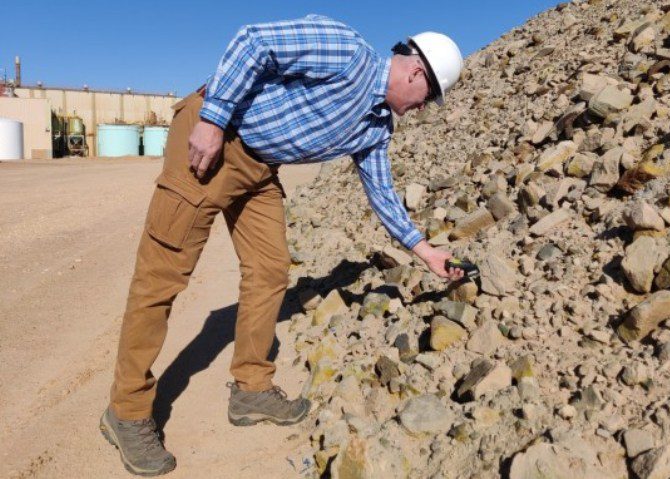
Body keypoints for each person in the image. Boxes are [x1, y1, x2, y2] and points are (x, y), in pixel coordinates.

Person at [99, 14, 464, 476]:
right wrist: (212, 120)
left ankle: (251, 389)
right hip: (215, 138)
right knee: (162, 276)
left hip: (259, 169)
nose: (423, 108)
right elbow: (253, 41)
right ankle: (127, 411)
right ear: (415, 72)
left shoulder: (377, 127)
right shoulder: (346, 51)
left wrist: (425, 251)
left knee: (271, 270)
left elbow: (382, 192)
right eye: (428, 97)